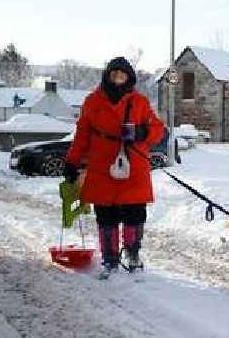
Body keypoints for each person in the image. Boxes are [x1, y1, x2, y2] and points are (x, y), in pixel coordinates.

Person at [65, 57, 165, 278]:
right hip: (102, 167)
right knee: (106, 216)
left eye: (123, 75)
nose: (118, 79)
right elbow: (81, 136)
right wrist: (72, 162)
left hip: (134, 167)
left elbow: (158, 129)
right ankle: (109, 259)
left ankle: (132, 254)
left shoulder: (140, 102)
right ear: (107, 76)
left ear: (129, 77)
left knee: (135, 214)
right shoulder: (92, 101)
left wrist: (142, 133)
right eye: (114, 74)